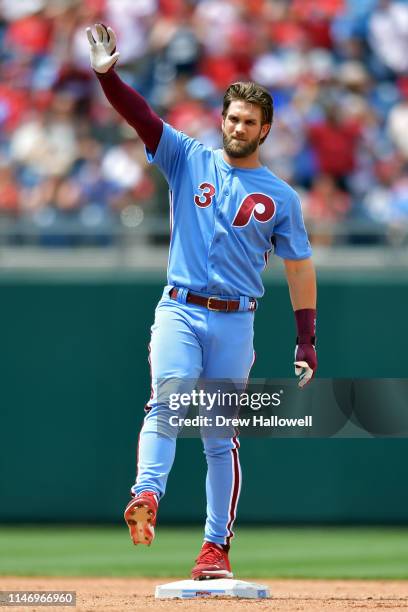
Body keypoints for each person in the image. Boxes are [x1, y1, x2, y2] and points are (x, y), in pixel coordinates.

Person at [86, 24, 317, 581]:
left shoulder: (281, 197)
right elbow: (141, 117)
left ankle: (215, 548)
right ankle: (147, 493)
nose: (238, 127)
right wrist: (107, 76)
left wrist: (306, 337)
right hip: (180, 309)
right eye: (232, 117)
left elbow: (299, 268)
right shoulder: (188, 158)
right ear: (222, 120)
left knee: (219, 435)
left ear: (265, 129)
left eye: (249, 121)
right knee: (165, 403)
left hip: (237, 321)